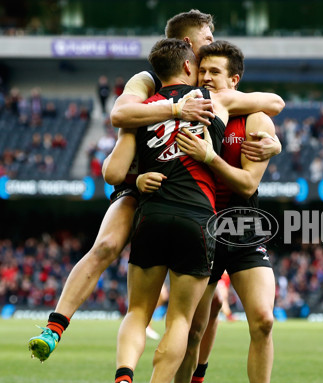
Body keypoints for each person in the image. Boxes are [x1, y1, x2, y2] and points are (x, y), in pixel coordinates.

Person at [27, 9, 280, 362]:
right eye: (208, 39)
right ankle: (55, 327)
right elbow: (120, 116)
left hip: (189, 195)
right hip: (142, 182)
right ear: (190, 45)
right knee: (108, 245)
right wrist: (176, 111)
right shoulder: (149, 78)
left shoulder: (209, 86)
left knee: (208, 305)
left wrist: (276, 144)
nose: (213, 45)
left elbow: (270, 102)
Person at [96, 38, 284, 383]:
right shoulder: (196, 104)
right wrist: (136, 178)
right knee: (193, 325)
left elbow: (250, 182)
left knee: (264, 320)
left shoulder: (249, 116)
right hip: (204, 221)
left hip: (244, 223)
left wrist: (219, 155)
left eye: (214, 72)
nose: (205, 78)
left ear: (234, 80)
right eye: (201, 71)